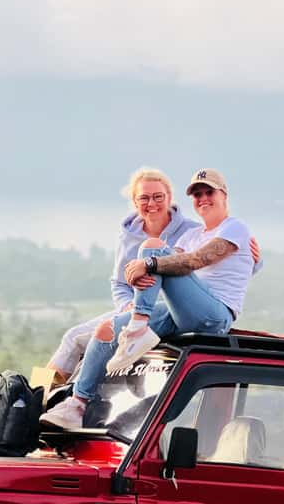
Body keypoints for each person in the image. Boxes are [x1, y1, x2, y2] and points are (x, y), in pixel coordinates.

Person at [40, 168, 256, 430]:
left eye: (209, 191)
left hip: (213, 313)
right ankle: (70, 403)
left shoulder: (234, 227)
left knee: (152, 249)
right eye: (197, 194)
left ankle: (138, 328)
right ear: (134, 201)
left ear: (224, 194)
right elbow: (129, 278)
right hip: (174, 309)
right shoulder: (189, 236)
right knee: (104, 331)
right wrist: (139, 281)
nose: (203, 198)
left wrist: (148, 263)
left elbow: (197, 260)